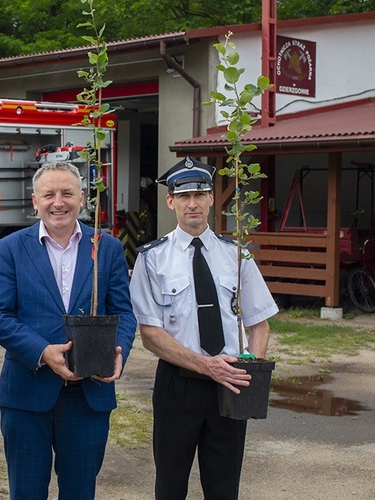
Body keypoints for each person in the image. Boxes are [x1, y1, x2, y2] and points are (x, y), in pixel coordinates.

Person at [0, 161, 137, 499]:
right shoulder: (12, 247)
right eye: (49, 194)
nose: (59, 202)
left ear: (82, 198)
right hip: (27, 393)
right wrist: (42, 351)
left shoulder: (106, 247)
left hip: (89, 396)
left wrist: (119, 352)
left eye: (67, 193)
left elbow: (123, 312)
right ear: (34, 201)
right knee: (26, 492)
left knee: (80, 492)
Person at [129, 156, 279, 499]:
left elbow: (260, 323)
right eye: (183, 196)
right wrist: (204, 365)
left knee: (224, 488)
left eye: (199, 194)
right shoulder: (152, 258)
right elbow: (150, 334)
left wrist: (250, 373)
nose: (192, 203)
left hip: (229, 385)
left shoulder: (238, 255)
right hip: (177, 385)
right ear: (171, 201)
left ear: (212, 198)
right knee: (170, 485)